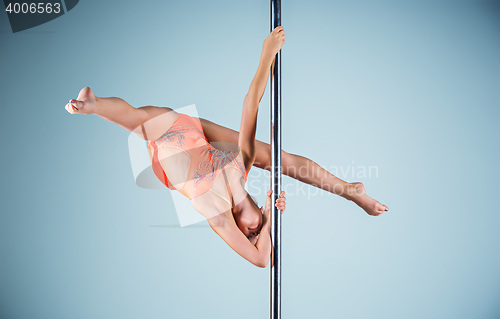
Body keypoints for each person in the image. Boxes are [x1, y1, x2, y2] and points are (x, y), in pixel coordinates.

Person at [65, 26, 388, 268]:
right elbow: (251, 106)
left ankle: (96, 107)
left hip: (164, 140)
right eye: (256, 232)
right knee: (276, 158)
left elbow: (262, 261)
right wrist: (267, 53)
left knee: (139, 123)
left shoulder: (217, 214)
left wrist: (268, 225)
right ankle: (95, 105)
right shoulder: (240, 169)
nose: (251, 231)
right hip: (192, 132)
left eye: (248, 235)